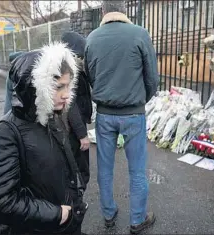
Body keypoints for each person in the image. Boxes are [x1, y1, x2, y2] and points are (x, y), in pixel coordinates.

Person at [0, 42, 88, 234]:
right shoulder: (5, 133)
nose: (66, 94)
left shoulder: (52, 118)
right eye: (58, 87)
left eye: (68, 85)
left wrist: (77, 195)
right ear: (34, 86)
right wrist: (57, 214)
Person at [84, 1, 159, 234]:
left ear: (104, 12)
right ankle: (137, 220)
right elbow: (152, 79)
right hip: (134, 114)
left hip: (105, 115)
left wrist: (105, 94)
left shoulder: (92, 39)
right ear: (124, 11)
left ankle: (108, 214)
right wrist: (138, 100)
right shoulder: (139, 34)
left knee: (104, 169)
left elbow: (90, 76)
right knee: (137, 170)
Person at [61, 31, 93, 186]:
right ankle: (76, 201)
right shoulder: (69, 71)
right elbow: (70, 104)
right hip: (73, 127)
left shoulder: (71, 68)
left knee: (75, 166)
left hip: (74, 124)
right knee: (80, 168)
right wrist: (82, 134)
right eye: (80, 55)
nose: (82, 58)